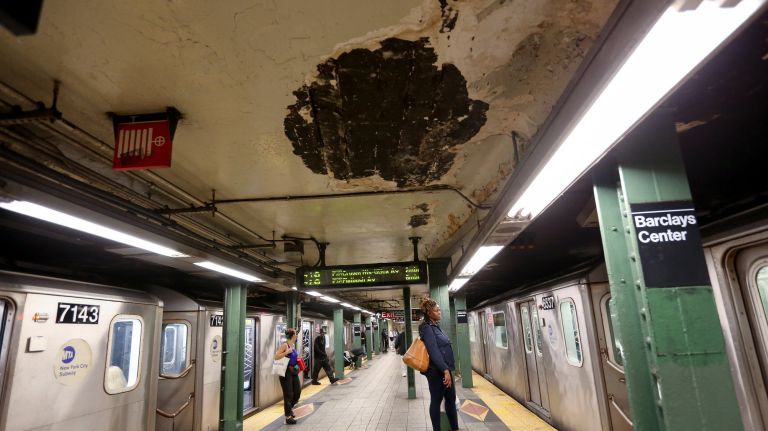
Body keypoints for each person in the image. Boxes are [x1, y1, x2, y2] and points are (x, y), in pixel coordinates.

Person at [419, 298, 459, 431]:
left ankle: (455, 428)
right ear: (429, 313)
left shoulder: (436, 326)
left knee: (450, 399)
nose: (440, 312)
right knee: (436, 401)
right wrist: (445, 370)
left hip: (444, 369)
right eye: (437, 310)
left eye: (439, 310)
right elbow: (434, 351)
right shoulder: (426, 328)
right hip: (436, 372)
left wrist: (447, 369)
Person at [274, 328, 301, 425]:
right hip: (285, 372)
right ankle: (288, 417)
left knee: (297, 392)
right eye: (295, 334)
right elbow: (276, 357)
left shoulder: (293, 345)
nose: (296, 335)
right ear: (292, 335)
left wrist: (297, 359)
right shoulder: (285, 345)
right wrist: (286, 352)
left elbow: (293, 357)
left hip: (293, 371)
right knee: (288, 394)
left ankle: (290, 409)